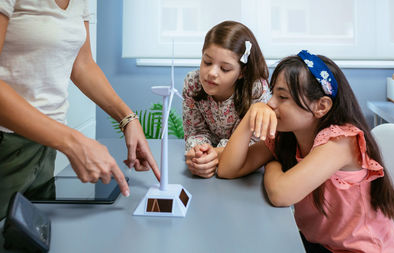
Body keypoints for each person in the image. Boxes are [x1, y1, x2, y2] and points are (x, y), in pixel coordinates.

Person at [218, 50, 394, 252]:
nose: (271, 104)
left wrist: (271, 165)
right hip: (319, 244)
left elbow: (281, 194)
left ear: (321, 106)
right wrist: (251, 115)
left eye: (283, 97)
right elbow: (228, 169)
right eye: (273, 94)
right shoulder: (288, 135)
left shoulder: (341, 141)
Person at [0, 0, 160, 220]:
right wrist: (73, 141)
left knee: (30, 236)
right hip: (6, 144)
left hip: (45, 146)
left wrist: (128, 118)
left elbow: (82, 63)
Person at [183, 20, 269, 178]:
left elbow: (253, 144)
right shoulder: (193, 83)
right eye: (207, 62)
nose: (212, 73)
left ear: (242, 72)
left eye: (225, 69)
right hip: (207, 162)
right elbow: (195, 131)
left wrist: (215, 153)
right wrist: (199, 153)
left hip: (242, 169)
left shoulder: (256, 91)